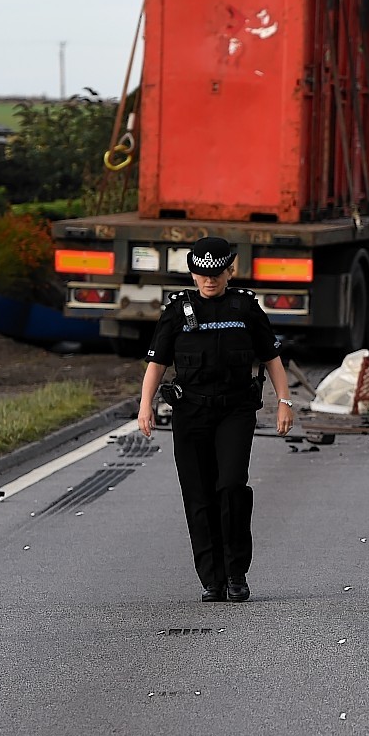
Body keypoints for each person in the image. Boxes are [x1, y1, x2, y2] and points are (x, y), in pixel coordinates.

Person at [138, 236, 293, 603]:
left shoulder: (244, 306)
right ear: (192, 274)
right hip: (190, 413)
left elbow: (271, 357)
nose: (209, 281)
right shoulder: (177, 310)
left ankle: (236, 572)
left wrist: (284, 401)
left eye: (216, 274)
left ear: (229, 271)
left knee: (232, 486)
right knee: (199, 495)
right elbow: (156, 364)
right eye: (201, 274)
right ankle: (212, 579)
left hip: (235, 411)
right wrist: (145, 407)